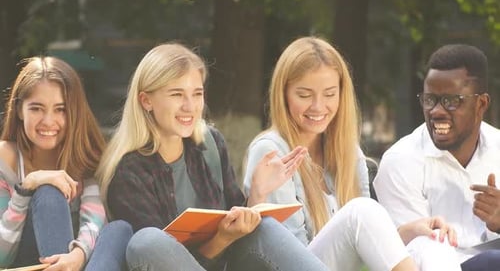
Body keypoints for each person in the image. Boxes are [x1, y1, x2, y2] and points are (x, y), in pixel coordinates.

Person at [96, 42, 331, 271]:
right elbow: (160, 260)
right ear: (146, 100)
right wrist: (221, 239)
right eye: (177, 94)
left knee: (265, 227)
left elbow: (239, 231)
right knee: (147, 242)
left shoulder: (211, 144)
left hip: (228, 264)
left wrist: (257, 194)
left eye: (197, 94)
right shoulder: (129, 173)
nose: (190, 106)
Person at [243, 36, 458, 271]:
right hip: (297, 266)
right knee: (361, 211)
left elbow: (359, 241)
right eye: (304, 95)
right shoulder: (271, 150)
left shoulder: (347, 150)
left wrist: (410, 232)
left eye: (329, 94)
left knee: (432, 242)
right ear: (283, 94)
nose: (318, 106)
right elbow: (288, 254)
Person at [374, 44, 500, 270]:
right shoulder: (400, 161)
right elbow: (415, 252)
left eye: (452, 101)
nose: (436, 111)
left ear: (481, 104)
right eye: (430, 100)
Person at [0, 56, 133, 270]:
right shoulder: (5, 159)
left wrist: (78, 255)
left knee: (120, 230)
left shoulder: (84, 156)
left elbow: (93, 221)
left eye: (60, 109)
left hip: (78, 261)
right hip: (32, 263)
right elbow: (2, 257)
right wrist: (26, 189)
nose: (48, 121)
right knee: (48, 193)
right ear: (19, 110)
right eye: (36, 108)